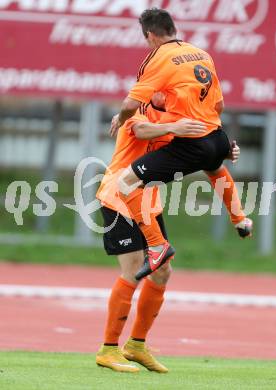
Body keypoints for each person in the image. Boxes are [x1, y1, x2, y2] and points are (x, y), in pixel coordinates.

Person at [110, 8, 253, 280]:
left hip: (192, 141)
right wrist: (212, 136)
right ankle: (241, 220)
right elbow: (219, 104)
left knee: (126, 183)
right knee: (215, 170)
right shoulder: (202, 54)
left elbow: (131, 106)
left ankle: (157, 246)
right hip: (218, 137)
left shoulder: (158, 58)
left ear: (150, 35)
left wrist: (121, 116)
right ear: (172, 29)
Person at [95, 101, 207, 374]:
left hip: (148, 203)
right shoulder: (136, 109)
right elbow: (143, 130)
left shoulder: (176, 110)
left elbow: (198, 144)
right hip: (119, 198)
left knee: (163, 270)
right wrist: (174, 127)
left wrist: (225, 150)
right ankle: (108, 349)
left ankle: (136, 345)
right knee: (133, 270)